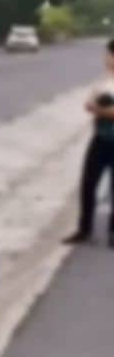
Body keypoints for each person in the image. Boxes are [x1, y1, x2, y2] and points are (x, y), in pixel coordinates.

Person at [63, 37, 114, 248]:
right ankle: (84, 229)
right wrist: (93, 105)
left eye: (109, 55)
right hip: (101, 137)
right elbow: (91, 104)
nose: (106, 59)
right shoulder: (105, 81)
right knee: (88, 183)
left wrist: (99, 109)